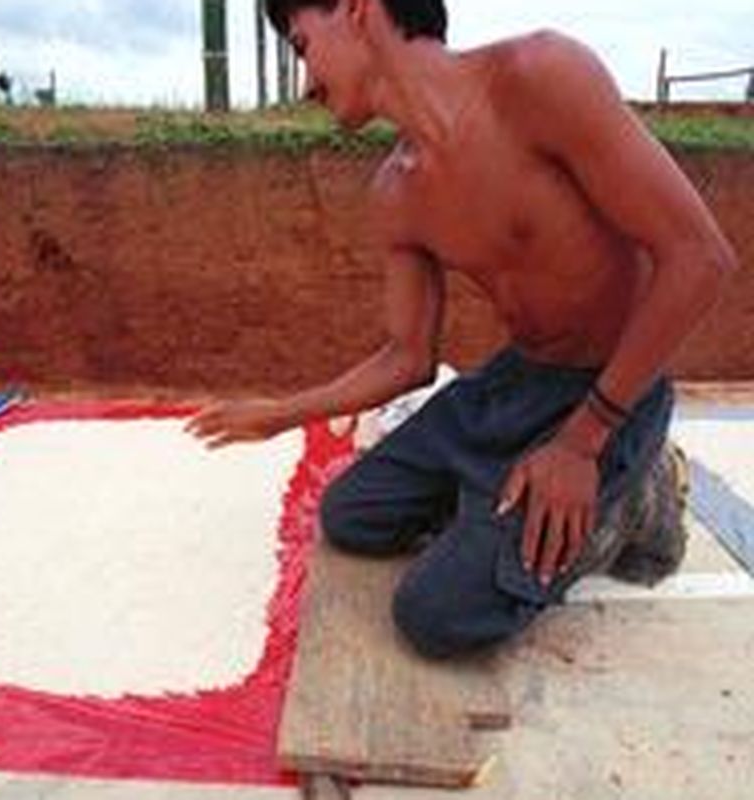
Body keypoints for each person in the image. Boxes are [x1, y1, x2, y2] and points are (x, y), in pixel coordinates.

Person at [188, 0, 736, 658]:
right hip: (513, 382)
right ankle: (506, 496)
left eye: (303, 46)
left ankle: (639, 500)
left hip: (612, 393)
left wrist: (582, 444)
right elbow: (407, 358)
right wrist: (281, 414)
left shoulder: (543, 76)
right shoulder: (396, 191)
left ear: (361, 10)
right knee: (352, 516)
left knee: (437, 614)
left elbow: (700, 256)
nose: (306, 83)